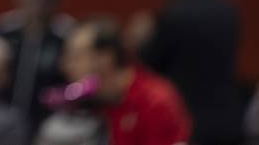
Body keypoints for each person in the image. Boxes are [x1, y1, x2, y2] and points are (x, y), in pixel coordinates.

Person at [126, 0, 244, 145]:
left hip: (188, 116)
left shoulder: (174, 15)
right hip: (230, 117)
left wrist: (140, 40)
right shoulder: (229, 10)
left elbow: (150, 66)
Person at [62, 17, 191, 145]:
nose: (67, 67)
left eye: (76, 56)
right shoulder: (98, 104)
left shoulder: (155, 101)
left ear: (105, 58)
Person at [0, 0, 71, 136]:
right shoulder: (1, 32)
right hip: (0, 125)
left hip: (48, 126)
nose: (37, 0)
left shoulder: (66, 37)